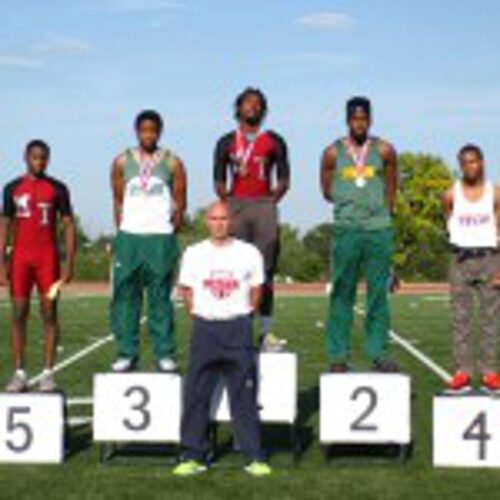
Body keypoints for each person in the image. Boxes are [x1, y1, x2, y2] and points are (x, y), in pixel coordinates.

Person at [173, 201, 272, 477]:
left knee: (244, 394)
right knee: (196, 393)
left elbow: (256, 289)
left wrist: (242, 315)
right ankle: (192, 454)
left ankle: (253, 455)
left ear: (232, 222)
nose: (219, 223)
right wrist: (201, 314)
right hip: (205, 329)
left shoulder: (248, 252)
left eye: (224, 218)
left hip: (237, 329)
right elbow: (187, 290)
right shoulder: (194, 253)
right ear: (207, 221)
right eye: (214, 218)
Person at [320, 97, 399, 372]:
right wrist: (349, 203)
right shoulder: (332, 153)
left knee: (378, 293)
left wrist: (384, 214)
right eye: (354, 119)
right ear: (347, 120)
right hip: (347, 229)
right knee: (342, 292)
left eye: (363, 118)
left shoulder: (385, 150)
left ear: (370, 120)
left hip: (378, 229)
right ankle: (338, 356)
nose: (359, 123)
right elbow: (326, 190)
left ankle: (378, 353)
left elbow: (391, 184)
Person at [110, 110, 186, 372]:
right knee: (125, 297)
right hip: (130, 238)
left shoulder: (173, 162)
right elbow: (118, 201)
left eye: (153, 130)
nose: (148, 134)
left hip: (160, 238)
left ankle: (164, 353)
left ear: (159, 132)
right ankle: (126, 353)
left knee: (160, 298)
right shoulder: (121, 162)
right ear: (136, 131)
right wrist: (122, 233)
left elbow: (180, 204)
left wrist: (167, 232)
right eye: (144, 130)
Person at [213, 87, 290, 348]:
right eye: (247, 103)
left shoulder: (274, 140)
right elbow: (219, 179)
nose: (252, 107)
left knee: (264, 271)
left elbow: (284, 178)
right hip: (236, 205)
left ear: (264, 110)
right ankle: (234, 329)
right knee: (234, 268)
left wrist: (270, 202)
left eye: (258, 104)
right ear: (238, 108)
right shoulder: (225, 141)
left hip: (263, 206)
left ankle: (265, 332)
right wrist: (228, 204)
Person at [0, 140, 76, 392]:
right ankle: (19, 372)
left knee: (49, 313)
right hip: (20, 259)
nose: (39, 162)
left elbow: (67, 225)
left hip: (48, 260)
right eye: (34, 157)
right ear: (25, 157)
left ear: (48, 159)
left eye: (43, 158)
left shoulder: (58, 188)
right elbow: (5, 227)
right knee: (18, 313)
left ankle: (47, 373)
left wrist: (69, 262)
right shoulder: (11, 188)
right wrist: (1, 262)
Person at [443, 144, 500, 393]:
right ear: (460, 166)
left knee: (490, 319)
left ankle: (489, 373)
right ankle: (462, 373)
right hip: (461, 259)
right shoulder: (450, 195)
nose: (470, 166)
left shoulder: (495, 193)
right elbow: (448, 221)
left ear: (482, 162)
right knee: (460, 319)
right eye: (465, 162)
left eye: (474, 161)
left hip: (490, 257)